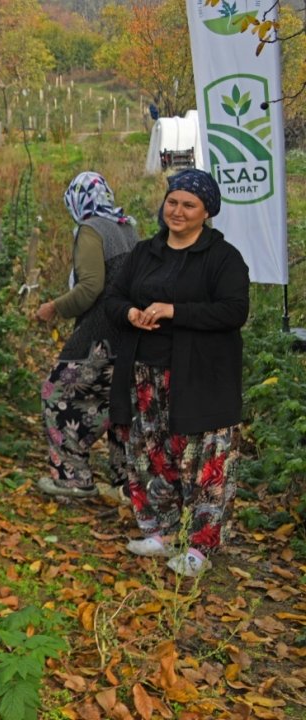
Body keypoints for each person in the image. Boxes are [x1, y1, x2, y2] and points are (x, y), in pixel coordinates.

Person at [103, 169, 249, 577]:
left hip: (202, 375)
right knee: (155, 454)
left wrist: (174, 311)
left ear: (206, 212)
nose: (177, 211)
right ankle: (164, 530)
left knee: (206, 460)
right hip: (148, 375)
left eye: (189, 205)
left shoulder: (223, 258)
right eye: (172, 201)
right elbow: (113, 297)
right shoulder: (146, 252)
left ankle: (201, 545)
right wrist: (130, 312)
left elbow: (235, 311)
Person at [34, 172, 139, 499]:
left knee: (57, 392)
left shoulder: (91, 230)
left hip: (101, 331)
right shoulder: (127, 227)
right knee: (120, 400)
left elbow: (90, 287)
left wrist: (54, 307)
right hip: (132, 331)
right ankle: (130, 484)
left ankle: (72, 478)